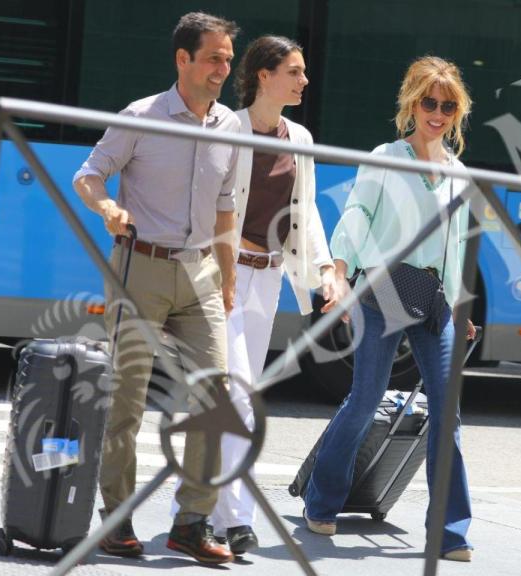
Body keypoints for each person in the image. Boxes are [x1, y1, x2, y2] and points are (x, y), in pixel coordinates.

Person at [72, 12, 241, 565]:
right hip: (138, 267)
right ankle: (116, 519)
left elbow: (224, 208)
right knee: (126, 399)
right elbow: (88, 174)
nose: (223, 68)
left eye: (228, 59)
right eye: (214, 57)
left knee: (216, 396)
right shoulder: (141, 116)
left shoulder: (230, 127)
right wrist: (108, 208)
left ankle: (191, 522)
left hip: (200, 275)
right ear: (183, 60)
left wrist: (229, 277)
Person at [169, 35, 346, 555]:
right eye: (294, 70)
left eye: (303, 70)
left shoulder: (301, 137)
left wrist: (325, 273)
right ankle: (236, 520)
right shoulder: (227, 127)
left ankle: (199, 506)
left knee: (237, 398)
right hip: (221, 275)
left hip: (268, 278)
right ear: (264, 76)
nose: (304, 80)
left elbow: (305, 211)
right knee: (238, 397)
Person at [302, 56, 478, 562]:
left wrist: (460, 307)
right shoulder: (387, 155)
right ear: (412, 103)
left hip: (433, 301)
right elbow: (357, 215)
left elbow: (458, 246)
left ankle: (449, 531)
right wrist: (337, 273)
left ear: (456, 112)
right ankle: (323, 498)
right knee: (365, 398)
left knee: (449, 412)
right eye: (429, 102)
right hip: (382, 291)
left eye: (447, 105)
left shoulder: (458, 173)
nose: (437, 113)